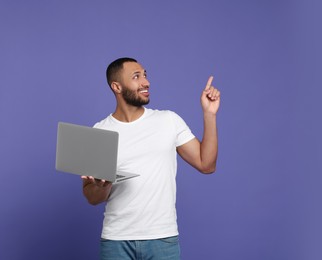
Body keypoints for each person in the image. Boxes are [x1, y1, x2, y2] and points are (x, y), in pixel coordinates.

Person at [81, 57, 220, 260]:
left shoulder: (168, 120)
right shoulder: (100, 131)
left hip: (162, 239)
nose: (146, 82)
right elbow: (92, 198)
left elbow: (206, 165)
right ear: (117, 86)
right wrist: (103, 186)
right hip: (116, 241)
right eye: (136, 77)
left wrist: (209, 114)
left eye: (145, 75)